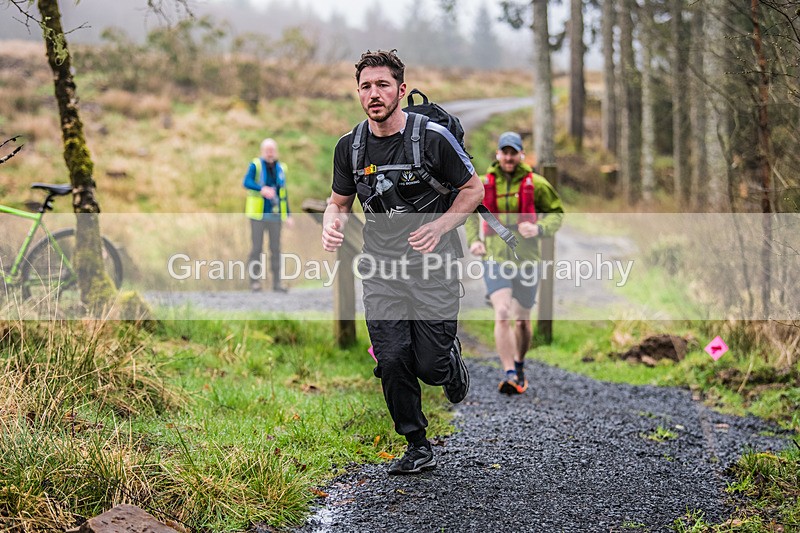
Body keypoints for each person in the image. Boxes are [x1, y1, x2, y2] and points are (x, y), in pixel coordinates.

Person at [321, 50, 483, 475]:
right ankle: (416, 444)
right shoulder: (350, 147)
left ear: (401, 89)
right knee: (391, 358)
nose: (373, 94)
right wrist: (331, 223)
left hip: (433, 268)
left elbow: (473, 189)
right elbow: (338, 202)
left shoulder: (432, 138)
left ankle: (449, 362)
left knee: (430, 366)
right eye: (366, 86)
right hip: (381, 271)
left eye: (382, 85)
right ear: (358, 92)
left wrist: (441, 226)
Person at [465, 131, 564, 395]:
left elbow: (556, 213)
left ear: (521, 155)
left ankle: (519, 363)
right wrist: (474, 240)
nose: (508, 158)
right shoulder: (483, 183)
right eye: (504, 152)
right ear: (498, 155)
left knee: (521, 321)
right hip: (495, 257)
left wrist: (539, 228)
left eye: (513, 153)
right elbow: (470, 212)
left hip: (527, 259)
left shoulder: (537, 184)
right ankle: (509, 373)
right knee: (502, 313)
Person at [243, 138, 291, 292]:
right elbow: (246, 182)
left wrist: (288, 215)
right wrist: (261, 189)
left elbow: (283, 194)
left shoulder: (281, 168)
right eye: (267, 150)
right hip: (257, 215)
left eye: (272, 150)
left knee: (276, 249)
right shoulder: (255, 165)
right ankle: (254, 282)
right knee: (256, 248)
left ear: (276, 152)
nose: (270, 153)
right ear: (262, 151)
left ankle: (277, 283)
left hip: (275, 216)